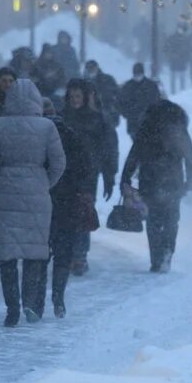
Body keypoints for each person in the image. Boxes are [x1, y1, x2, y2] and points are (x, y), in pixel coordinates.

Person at [0, 79, 66, 326]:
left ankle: (12, 307)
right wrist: (44, 182)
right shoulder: (47, 127)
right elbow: (59, 163)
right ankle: (30, 303)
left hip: (6, 190)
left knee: (7, 255)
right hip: (38, 191)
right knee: (34, 254)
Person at [121, 100, 192, 273]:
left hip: (149, 180)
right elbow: (189, 155)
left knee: (153, 220)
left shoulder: (146, 128)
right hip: (173, 181)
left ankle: (156, 258)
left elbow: (134, 155)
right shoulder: (178, 128)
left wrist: (126, 177)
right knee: (171, 219)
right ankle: (168, 250)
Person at [42, 96, 92, 317]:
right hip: (68, 201)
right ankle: (58, 296)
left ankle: (35, 299)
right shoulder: (70, 135)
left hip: (40, 200)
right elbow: (84, 167)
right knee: (63, 253)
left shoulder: (36, 136)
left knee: (40, 253)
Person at [63, 80, 118, 276]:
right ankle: (66, 254)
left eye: (78, 96)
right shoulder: (62, 118)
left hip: (87, 175)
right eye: (72, 96)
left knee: (82, 212)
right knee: (65, 214)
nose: (75, 100)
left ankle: (79, 256)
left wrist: (109, 175)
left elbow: (109, 149)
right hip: (63, 174)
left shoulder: (98, 120)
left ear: (86, 97)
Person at [119, 62, 161, 138]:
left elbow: (157, 101)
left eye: (139, 73)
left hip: (150, 122)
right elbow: (121, 102)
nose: (137, 76)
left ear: (143, 73)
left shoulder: (151, 86)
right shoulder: (127, 86)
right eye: (136, 74)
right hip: (133, 123)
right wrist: (126, 113)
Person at [83, 60, 120, 128]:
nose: (91, 70)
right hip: (89, 119)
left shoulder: (108, 79)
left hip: (108, 117)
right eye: (89, 68)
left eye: (92, 68)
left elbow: (117, 96)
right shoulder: (83, 83)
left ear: (97, 67)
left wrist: (113, 111)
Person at [165, 27, 191, 94]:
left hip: (175, 61)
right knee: (180, 78)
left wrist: (171, 56)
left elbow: (167, 48)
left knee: (174, 78)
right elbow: (188, 50)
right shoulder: (185, 39)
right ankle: (181, 92)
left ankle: (174, 92)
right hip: (180, 61)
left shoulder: (172, 38)